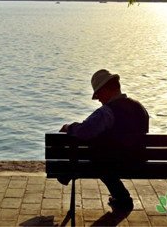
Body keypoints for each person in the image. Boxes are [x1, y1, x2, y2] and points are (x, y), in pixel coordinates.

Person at [59, 69, 149, 212]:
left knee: (97, 156)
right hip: (138, 162)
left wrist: (68, 127)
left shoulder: (106, 112)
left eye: (98, 94)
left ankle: (66, 173)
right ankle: (121, 198)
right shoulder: (140, 108)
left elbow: (84, 130)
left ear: (106, 89)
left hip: (112, 163)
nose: (99, 99)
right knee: (101, 151)